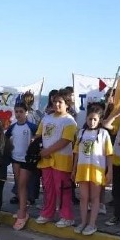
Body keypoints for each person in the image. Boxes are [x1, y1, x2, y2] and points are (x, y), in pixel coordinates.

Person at [35, 91, 78, 228]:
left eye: (60, 102)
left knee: (63, 189)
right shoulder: (46, 118)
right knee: (48, 188)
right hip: (46, 160)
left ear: (67, 104)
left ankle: (67, 216)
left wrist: (47, 150)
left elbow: (66, 140)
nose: (57, 104)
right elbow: (38, 135)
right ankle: (47, 213)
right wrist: (39, 149)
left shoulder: (69, 121)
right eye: (55, 101)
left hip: (62, 161)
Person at [72, 105, 113, 235]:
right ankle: (83, 222)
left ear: (100, 120)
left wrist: (110, 171)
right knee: (84, 197)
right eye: (90, 119)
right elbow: (77, 153)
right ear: (86, 118)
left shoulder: (104, 134)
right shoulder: (81, 133)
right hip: (82, 169)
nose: (92, 122)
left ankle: (92, 223)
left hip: (97, 169)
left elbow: (109, 154)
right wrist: (73, 169)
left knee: (95, 198)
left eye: (95, 119)